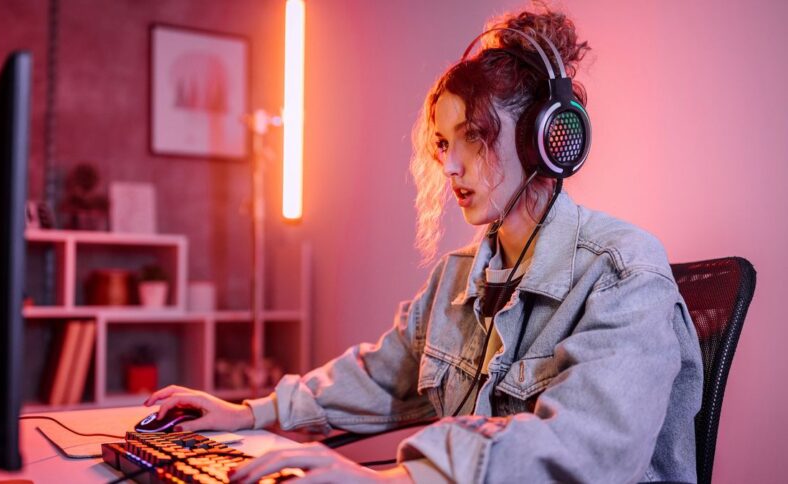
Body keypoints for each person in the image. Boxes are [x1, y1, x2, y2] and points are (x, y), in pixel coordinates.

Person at [145, 6, 703, 483]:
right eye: (442, 143)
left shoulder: (624, 273)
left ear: (545, 140)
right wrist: (250, 414)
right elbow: (381, 376)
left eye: (474, 138)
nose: (450, 166)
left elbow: (591, 449)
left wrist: (395, 477)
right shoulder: (458, 278)